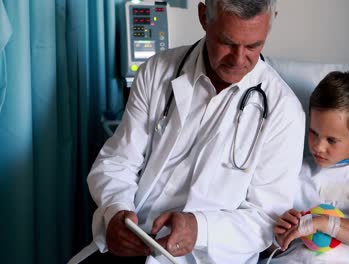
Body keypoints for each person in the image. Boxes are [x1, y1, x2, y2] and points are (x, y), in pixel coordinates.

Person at [68, 0, 305, 263]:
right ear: (204, 16)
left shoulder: (284, 112)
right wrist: (115, 211)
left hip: (205, 256)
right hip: (135, 241)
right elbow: (118, 161)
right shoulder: (157, 71)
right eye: (227, 42)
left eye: (253, 46)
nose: (239, 60)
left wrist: (199, 228)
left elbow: (266, 220)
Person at [265, 71, 349, 263]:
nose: (318, 146)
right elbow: (271, 247)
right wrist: (279, 237)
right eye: (313, 133)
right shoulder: (295, 172)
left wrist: (323, 223)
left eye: (331, 140)